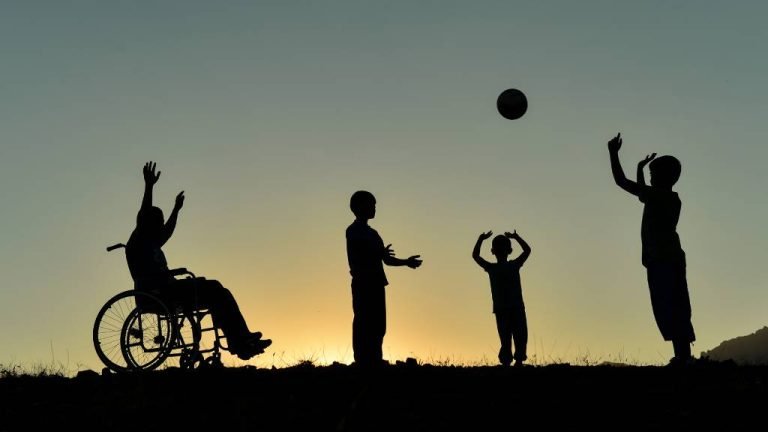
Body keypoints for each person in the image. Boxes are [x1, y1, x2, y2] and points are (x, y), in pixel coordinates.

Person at [125, 161, 271, 360]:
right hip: (157, 294)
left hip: (168, 291)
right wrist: (149, 186)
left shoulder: (153, 242)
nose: (160, 226)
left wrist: (176, 210)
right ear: (148, 223)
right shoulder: (139, 241)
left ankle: (240, 339)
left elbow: (167, 232)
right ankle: (239, 341)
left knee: (218, 291)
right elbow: (144, 215)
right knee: (213, 290)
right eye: (157, 222)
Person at [607, 132, 696, 366]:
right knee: (670, 305)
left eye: (653, 173)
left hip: (665, 258)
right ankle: (682, 356)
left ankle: (684, 357)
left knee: (673, 305)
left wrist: (613, 154)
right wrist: (639, 168)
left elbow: (623, 183)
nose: (651, 177)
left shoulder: (662, 197)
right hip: (662, 258)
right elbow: (640, 190)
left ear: (667, 176)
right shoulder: (661, 196)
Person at [345, 190, 422, 367]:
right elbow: (361, 255)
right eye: (371, 204)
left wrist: (405, 262)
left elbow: (385, 259)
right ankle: (363, 359)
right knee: (363, 320)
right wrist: (378, 253)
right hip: (363, 282)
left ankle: (375, 357)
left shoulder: (373, 234)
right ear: (358, 207)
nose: (374, 208)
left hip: (377, 282)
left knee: (379, 323)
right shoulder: (353, 231)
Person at [472, 230, 531, 366]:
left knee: (517, 336)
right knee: (511, 337)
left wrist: (481, 239)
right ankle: (512, 361)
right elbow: (527, 250)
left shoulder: (502, 267)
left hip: (510, 308)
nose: (500, 250)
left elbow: (476, 256)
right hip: (507, 309)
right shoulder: (504, 267)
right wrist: (516, 237)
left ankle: (515, 361)